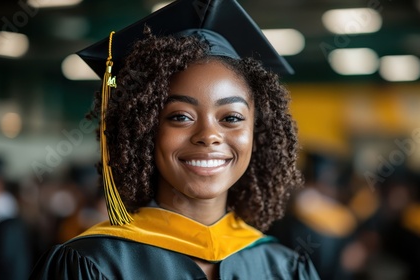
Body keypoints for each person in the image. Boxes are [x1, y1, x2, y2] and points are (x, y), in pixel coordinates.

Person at [30, 0, 320, 279]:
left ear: (257, 131)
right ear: (142, 130)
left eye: (231, 117)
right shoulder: (92, 265)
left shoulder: (286, 269)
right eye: (180, 116)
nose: (209, 136)